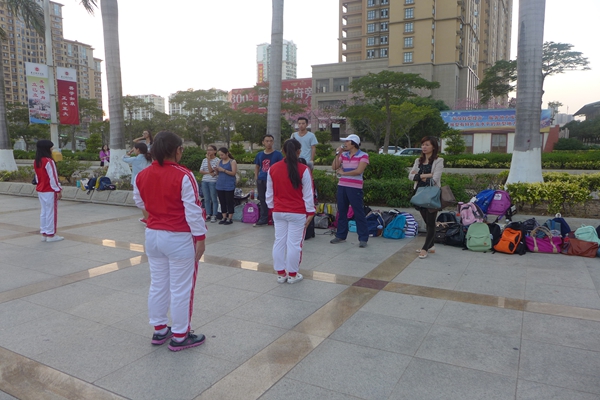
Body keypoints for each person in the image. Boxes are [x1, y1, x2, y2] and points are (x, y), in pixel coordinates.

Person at [133, 131, 207, 351]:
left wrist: (156, 215)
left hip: (153, 235)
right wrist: (200, 238)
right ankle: (180, 335)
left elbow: (139, 202)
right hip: (178, 237)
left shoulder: (142, 174)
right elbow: (193, 210)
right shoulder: (184, 175)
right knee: (181, 288)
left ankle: (159, 329)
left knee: (158, 284)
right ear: (177, 150)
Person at [266, 139, 315, 284]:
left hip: (278, 211)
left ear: (283, 151)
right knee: (294, 244)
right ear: (299, 152)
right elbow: (308, 194)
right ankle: (293, 274)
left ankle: (281, 274)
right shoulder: (304, 169)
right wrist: (310, 212)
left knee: (279, 242)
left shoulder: (273, 168)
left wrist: (272, 208)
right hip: (297, 212)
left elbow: (269, 193)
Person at [330, 134, 370, 248]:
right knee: (342, 211)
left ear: (354, 143)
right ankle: (341, 235)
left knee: (358, 212)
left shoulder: (363, 155)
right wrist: (338, 154)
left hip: (355, 187)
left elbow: (359, 171)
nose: (345, 143)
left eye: (347, 141)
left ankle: (363, 238)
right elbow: (334, 167)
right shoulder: (344, 155)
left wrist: (344, 173)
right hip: (342, 185)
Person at [409, 136, 444, 259]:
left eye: (427, 145)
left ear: (433, 147)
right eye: (423, 144)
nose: (424, 147)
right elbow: (410, 176)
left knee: (431, 222)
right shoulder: (418, 161)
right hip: (419, 194)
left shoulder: (438, 161)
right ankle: (431, 246)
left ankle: (425, 248)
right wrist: (427, 175)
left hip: (432, 195)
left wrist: (420, 176)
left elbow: (434, 179)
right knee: (427, 221)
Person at [33, 140, 63, 242]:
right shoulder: (49, 161)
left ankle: (44, 233)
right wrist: (58, 190)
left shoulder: (37, 161)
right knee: (51, 212)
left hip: (41, 189)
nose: (52, 149)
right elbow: (53, 177)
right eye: (51, 147)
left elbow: (37, 177)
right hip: (49, 190)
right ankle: (51, 235)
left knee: (44, 212)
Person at [253, 134, 283, 227]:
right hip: (262, 179)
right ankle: (263, 218)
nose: (269, 143)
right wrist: (256, 177)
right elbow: (257, 166)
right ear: (263, 142)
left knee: (274, 198)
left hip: (273, 180)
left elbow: (281, 167)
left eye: (270, 141)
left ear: (273, 142)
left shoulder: (278, 154)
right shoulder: (259, 154)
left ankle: (274, 218)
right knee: (262, 199)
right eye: (267, 141)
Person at [123, 143, 152, 223]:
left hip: (138, 182)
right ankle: (147, 217)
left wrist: (129, 152)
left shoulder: (135, 159)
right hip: (149, 181)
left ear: (138, 150)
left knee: (142, 201)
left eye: (134, 149)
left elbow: (124, 158)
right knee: (147, 200)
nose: (134, 150)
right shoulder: (149, 158)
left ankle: (147, 218)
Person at [215, 147, 237, 225]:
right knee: (222, 201)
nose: (221, 156)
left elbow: (233, 173)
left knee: (229, 201)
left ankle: (230, 218)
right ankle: (224, 217)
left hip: (229, 185)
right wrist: (217, 170)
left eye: (222, 155)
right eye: (220, 155)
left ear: (227, 153)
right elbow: (217, 174)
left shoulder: (232, 161)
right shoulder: (219, 161)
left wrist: (223, 170)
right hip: (220, 184)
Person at [199, 145, 220, 223]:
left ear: (215, 151)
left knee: (214, 198)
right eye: (207, 150)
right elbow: (201, 171)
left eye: (210, 150)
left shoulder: (217, 160)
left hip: (213, 181)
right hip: (204, 181)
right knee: (206, 198)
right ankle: (208, 214)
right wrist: (209, 173)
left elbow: (212, 170)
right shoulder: (204, 160)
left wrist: (208, 161)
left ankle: (214, 215)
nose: (208, 151)